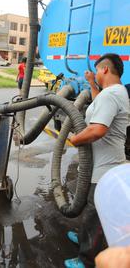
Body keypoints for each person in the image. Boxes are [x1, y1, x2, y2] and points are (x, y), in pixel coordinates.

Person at [66, 53, 130, 268]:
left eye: (96, 71)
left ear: (104, 69)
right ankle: (84, 236)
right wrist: (92, 84)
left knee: (94, 213)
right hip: (103, 164)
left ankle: (86, 259)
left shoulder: (110, 95)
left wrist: (74, 139)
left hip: (105, 169)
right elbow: (98, 103)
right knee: (89, 208)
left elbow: (98, 129)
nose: (95, 74)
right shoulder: (112, 93)